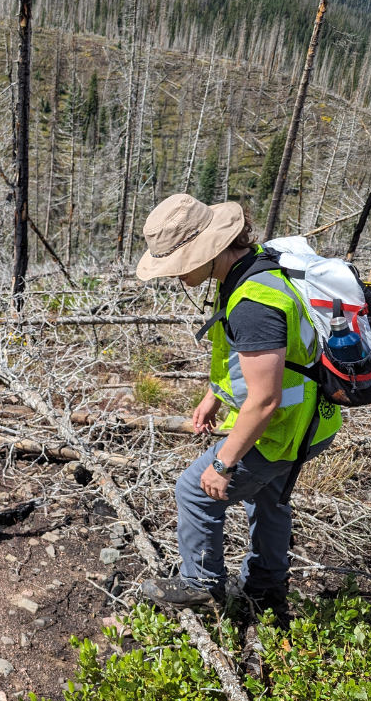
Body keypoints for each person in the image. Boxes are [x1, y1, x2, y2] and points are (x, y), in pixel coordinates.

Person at [135, 194, 341, 613]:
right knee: (270, 497)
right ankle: (267, 588)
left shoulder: (252, 304)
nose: (173, 276)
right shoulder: (256, 265)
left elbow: (265, 400)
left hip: (282, 428)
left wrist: (224, 461)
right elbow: (267, 360)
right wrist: (215, 394)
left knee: (195, 491)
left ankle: (203, 586)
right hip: (312, 420)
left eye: (178, 264)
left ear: (210, 250)